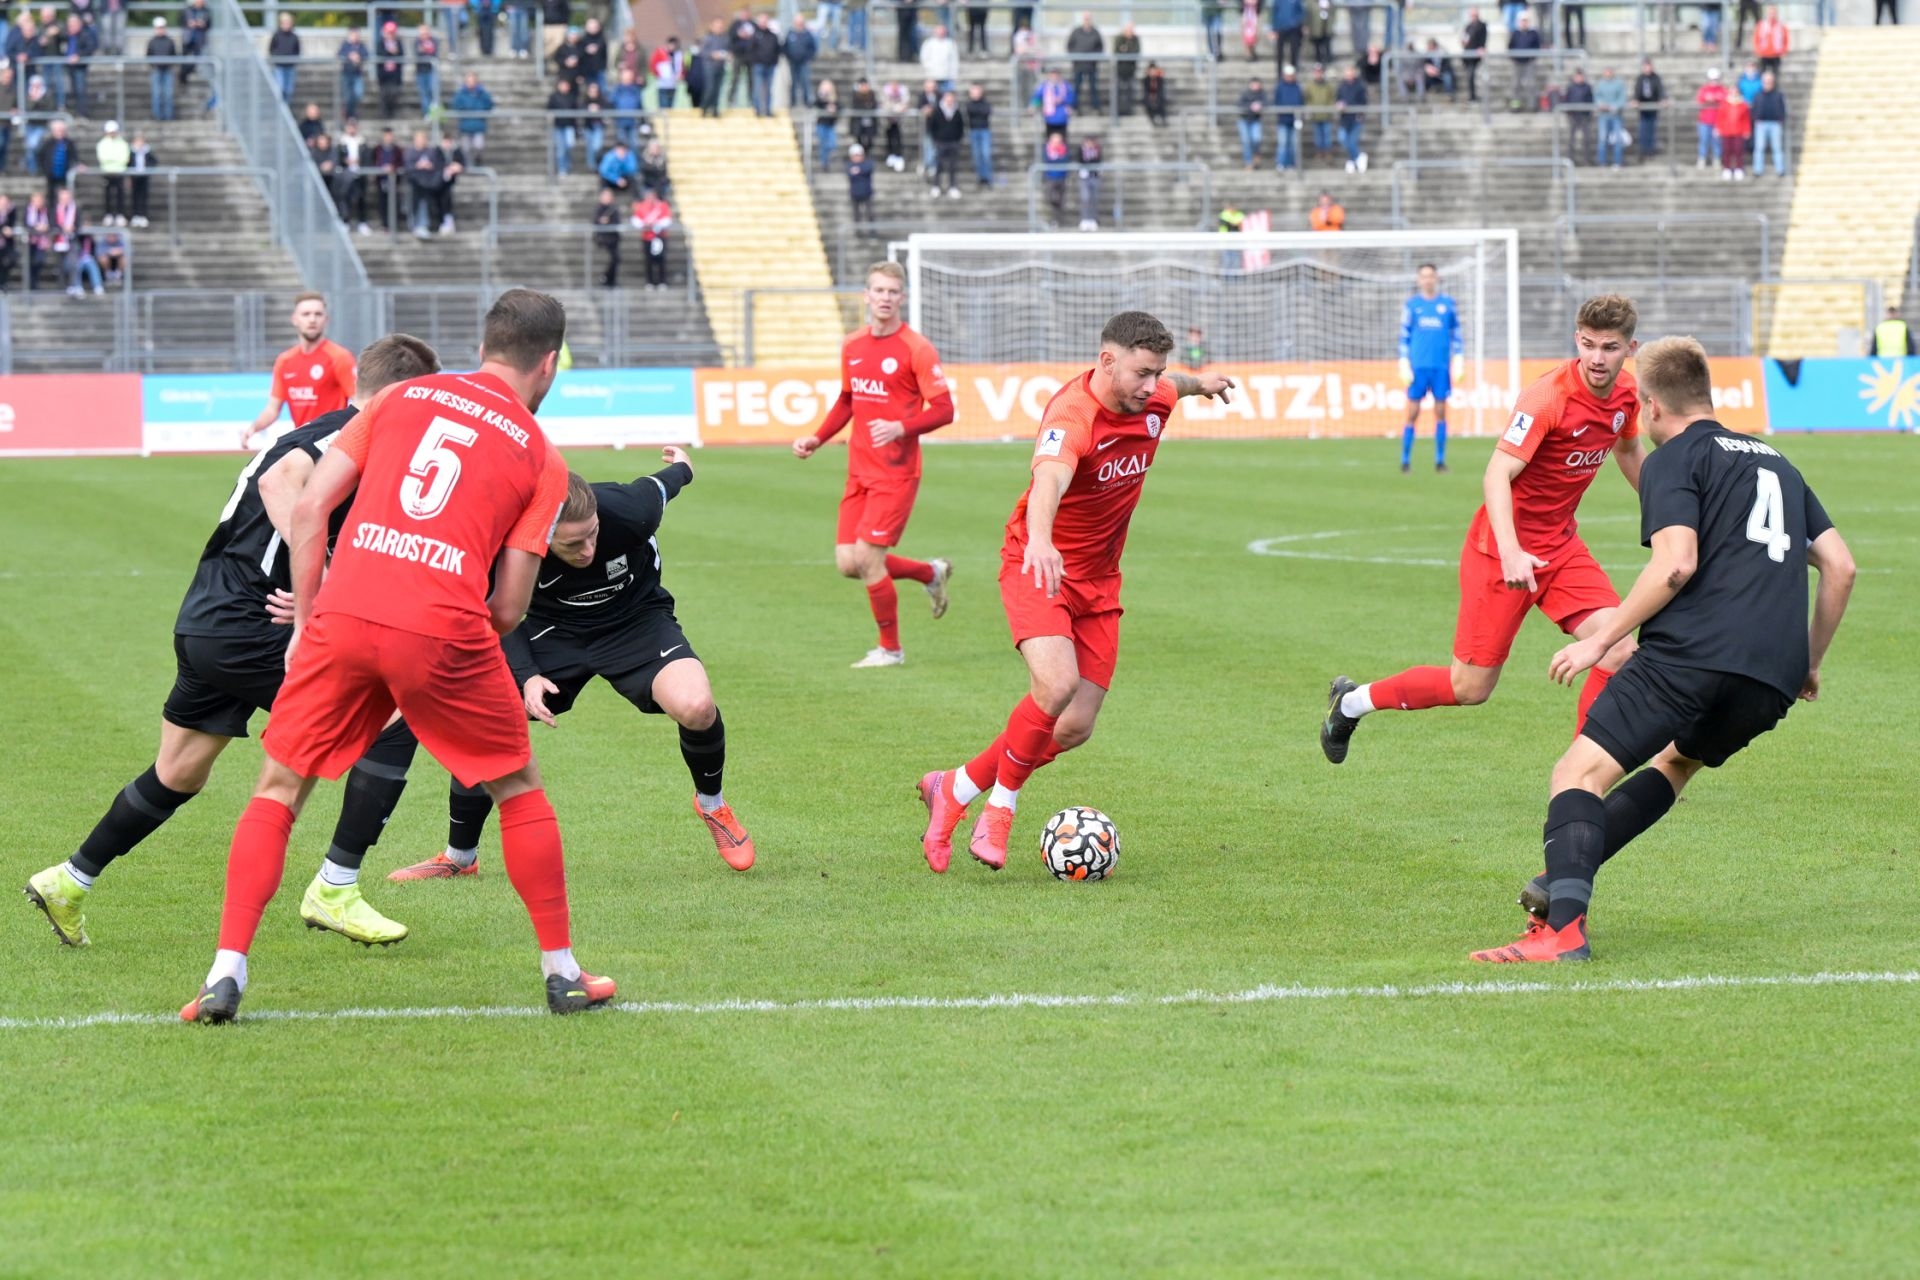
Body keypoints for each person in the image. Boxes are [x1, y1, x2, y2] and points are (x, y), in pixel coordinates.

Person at [178, 290, 614, 1024]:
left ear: (485, 346)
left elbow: (312, 508)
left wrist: (311, 619)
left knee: (278, 787)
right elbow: (507, 608)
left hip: (345, 612)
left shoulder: (402, 397)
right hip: (442, 625)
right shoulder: (542, 456)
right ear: (548, 364)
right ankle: (563, 974)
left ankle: (225, 976)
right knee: (518, 788)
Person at [25, 337, 440, 954]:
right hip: (252, 625)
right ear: (403, 392)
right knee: (394, 715)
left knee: (180, 770)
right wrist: (319, 582)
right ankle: (336, 886)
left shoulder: (335, 429)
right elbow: (281, 482)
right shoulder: (348, 432)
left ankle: (69, 878)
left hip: (207, 622)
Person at [1474, 337, 1855, 962]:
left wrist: (1598, 638)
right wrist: (1809, 663)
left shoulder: (1674, 458)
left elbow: (1675, 567)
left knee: (1578, 773)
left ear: (1650, 407)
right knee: (1675, 765)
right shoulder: (1779, 463)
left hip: (1693, 655)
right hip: (1773, 675)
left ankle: (1564, 931)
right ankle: (1560, 881)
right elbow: (1840, 567)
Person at [917, 312, 1236, 872]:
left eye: (1157, 373)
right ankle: (999, 812)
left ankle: (955, 786)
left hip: (1100, 579)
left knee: (1074, 726)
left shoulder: (1156, 396)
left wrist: (1199, 383)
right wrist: (1041, 540)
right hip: (1039, 564)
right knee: (1057, 683)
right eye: (1141, 373)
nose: (1150, 384)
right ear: (1106, 361)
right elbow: (1049, 479)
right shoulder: (1072, 414)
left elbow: (1175, 387)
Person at [390, 451, 759, 881]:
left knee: (697, 706)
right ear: (541, 536)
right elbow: (497, 614)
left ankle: (712, 806)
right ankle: (460, 857)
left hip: (636, 623)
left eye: (592, 536)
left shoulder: (629, 510)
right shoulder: (508, 540)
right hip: (553, 631)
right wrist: (526, 677)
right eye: (572, 544)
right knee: (483, 720)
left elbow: (669, 482)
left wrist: (684, 464)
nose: (588, 550)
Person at [1322, 295, 1647, 769]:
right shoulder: (1547, 397)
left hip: (1560, 546)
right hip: (1500, 551)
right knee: (1469, 688)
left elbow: (1629, 450)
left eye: (1610, 348)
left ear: (1630, 348)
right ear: (1577, 339)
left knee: (1618, 650)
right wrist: (1513, 552)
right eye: (1589, 345)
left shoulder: (1626, 395)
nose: (1597, 358)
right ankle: (1352, 703)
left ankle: (1581, 775)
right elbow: (1497, 474)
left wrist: (1666, 514)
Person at [792, 262, 957, 669]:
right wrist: (818, 437)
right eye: (878, 290)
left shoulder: (916, 348)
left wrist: (901, 426)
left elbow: (945, 409)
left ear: (902, 298)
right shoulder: (853, 345)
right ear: (866, 295)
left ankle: (891, 650)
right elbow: (848, 399)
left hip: (896, 473)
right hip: (859, 469)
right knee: (849, 563)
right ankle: (929, 573)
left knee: (867, 558)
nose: (885, 298)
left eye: (892, 292)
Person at [244, 294, 359, 445]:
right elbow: (272, 409)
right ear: (295, 319)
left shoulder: (339, 357)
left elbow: (360, 401)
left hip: (331, 443)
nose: (312, 319)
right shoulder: (285, 361)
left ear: (326, 320)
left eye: (318, 314)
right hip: (302, 441)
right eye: (306, 314)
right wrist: (254, 428)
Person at [1398, 264, 1463, 474]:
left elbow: (1456, 333)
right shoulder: (1412, 306)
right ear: (1419, 280)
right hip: (1418, 367)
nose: (1427, 280)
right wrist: (1403, 361)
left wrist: (1459, 357)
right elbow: (1404, 335)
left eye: (1431, 276)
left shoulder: (1447, 305)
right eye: (1423, 276)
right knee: (1413, 412)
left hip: (1440, 367)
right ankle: (1405, 460)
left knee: (1441, 412)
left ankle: (1440, 460)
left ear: (1436, 278)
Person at [631, 186, 672, 287]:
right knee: (648, 260)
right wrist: (644, 225)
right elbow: (636, 220)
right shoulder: (641, 206)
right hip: (647, 237)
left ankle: (662, 281)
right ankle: (649, 281)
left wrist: (656, 223)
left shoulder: (662, 205)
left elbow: (667, 220)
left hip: (659, 236)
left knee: (660, 259)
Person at [927, 87, 964, 197]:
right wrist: (936, 139)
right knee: (939, 165)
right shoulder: (938, 111)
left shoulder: (956, 112)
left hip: (953, 142)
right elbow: (932, 126)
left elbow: (960, 127)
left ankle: (952, 186)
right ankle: (936, 186)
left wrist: (957, 139)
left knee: (953, 166)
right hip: (941, 142)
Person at [1751, 69, 1787, 175]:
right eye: (1766, 81)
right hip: (1761, 124)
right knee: (1759, 148)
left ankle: (1780, 169)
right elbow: (1754, 109)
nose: (1768, 83)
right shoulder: (1758, 95)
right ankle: (1758, 170)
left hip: (1775, 124)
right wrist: (1756, 118)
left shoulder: (1778, 95)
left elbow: (1782, 108)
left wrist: (1781, 119)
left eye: (1770, 80)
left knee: (1777, 148)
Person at [1066, 11, 1103, 111]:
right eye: (1085, 18)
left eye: (1088, 18)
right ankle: (1075, 106)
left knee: (1093, 88)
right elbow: (1070, 46)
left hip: (1091, 65)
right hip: (1078, 65)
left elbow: (1100, 47)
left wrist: (1094, 58)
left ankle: (1095, 106)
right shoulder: (1076, 32)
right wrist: (1075, 58)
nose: (1087, 20)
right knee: (1077, 87)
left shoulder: (1095, 32)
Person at [452, 70, 494, 158]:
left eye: (473, 81)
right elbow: (456, 105)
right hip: (465, 125)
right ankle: (467, 163)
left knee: (479, 145)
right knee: (465, 148)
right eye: (469, 81)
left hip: (478, 124)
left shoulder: (482, 93)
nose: (471, 83)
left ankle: (477, 160)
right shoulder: (461, 94)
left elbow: (489, 104)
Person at [96, 120, 130, 226]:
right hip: (107, 172)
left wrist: (112, 160)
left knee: (120, 195)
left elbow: (124, 158)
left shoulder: (123, 143)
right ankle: (108, 214)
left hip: (119, 172)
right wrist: (114, 160)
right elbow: (103, 158)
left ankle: (120, 214)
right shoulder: (102, 143)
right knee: (108, 195)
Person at [1335, 64, 1368, 172]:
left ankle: (1352, 161)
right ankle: (1357, 157)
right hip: (1344, 118)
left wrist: (1360, 113)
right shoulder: (1341, 86)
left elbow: (1363, 101)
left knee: (1352, 141)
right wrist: (1339, 105)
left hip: (1356, 118)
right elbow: (1338, 99)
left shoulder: (1359, 86)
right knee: (1343, 139)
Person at [1593, 67, 1628, 167]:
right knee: (1602, 139)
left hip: (1616, 116)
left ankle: (1617, 161)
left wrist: (1614, 106)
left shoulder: (1619, 84)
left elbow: (1622, 98)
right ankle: (1602, 162)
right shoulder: (1600, 84)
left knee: (1617, 140)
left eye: (1609, 73)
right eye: (1606, 73)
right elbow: (1597, 97)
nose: (1607, 75)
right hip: (1603, 116)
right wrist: (1601, 104)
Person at [1694, 66, 1727, 168]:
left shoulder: (1722, 90)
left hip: (1718, 120)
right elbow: (1699, 100)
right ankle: (1702, 158)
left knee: (1717, 142)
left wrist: (1714, 98)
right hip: (1704, 120)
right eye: (1712, 80)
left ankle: (1717, 159)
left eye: (1715, 79)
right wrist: (1709, 99)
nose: (1714, 82)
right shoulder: (1703, 89)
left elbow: (1725, 100)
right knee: (1704, 140)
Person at [1716, 85, 1750, 180]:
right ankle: (1726, 168)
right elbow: (1720, 117)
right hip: (1726, 131)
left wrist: (1746, 130)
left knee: (1738, 151)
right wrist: (1718, 128)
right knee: (1726, 151)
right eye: (1732, 91)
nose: (1734, 93)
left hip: (1738, 131)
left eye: (1735, 91)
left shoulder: (1743, 104)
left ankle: (1739, 168)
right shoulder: (1724, 104)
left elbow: (1746, 119)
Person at [1509, 12, 1541, 110]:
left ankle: (1532, 105)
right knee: (1515, 85)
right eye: (1522, 21)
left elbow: (1537, 46)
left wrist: (1532, 57)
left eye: (1526, 21)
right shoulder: (1515, 33)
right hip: (1517, 62)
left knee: (1531, 84)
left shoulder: (1533, 33)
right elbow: (1510, 46)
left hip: (1529, 62)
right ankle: (1516, 105)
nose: (1524, 23)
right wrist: (1514, 57)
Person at [374, 21, 406, 119]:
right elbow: (379, 55)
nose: (390, 35)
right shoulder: (380, 43)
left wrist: (395, 52)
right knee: (385, 94)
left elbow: (402, 56)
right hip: (384, 74)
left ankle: (391, 111)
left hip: (395, 74)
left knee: (394, 93)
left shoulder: (398, 43)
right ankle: (385, 113)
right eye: (389, 32)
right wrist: (388, 52)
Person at [1562, 68, 1594, 162]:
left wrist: (1588, 113)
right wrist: (1569, 112)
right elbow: (1567, 100)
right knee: (1572, 139)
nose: (1579, 78)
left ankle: (1587, 159)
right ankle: (1570, 158)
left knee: (1586, 139)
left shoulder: (1587, 87)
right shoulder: (1571, 87)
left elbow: (1590, 100)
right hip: (1574, 116)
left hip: (1584, 116)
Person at [148, 18, 178, 120]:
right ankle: (157, 116)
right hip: (157, 70)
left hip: (167, 70)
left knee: (168, 95)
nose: (160, 30)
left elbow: (174, 54)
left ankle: (168, 116)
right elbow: (148, 55)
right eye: (158, 28)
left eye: (162, 28)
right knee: (157, 95)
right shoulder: (152, 42)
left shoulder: (170, 41)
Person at [548, 75, 578, 175]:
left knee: (568, 147)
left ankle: (568, 165)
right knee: (561, 148)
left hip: (569, 126)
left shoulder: (572, 97)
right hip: (558, 126)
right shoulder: (554, 97)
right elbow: (549, 110)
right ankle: (562, 168)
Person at [1633, 59, 1664, 159]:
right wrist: (1636, 100)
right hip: (1643, 107)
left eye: (1649, 66)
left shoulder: (1656, 78)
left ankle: (1650, 150)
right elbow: (1637, 90)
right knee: (1643, 129)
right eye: (1646, 67)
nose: (1647, 69)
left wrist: (1662, 99)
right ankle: (1643, 150)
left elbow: (1660, 90)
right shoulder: (1640, 78)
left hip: (1653, 106)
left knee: (1651, 129)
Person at [964, 81, 993, 186]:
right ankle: (980, 177)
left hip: (984, 130)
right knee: (977, 155)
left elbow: (986, 111)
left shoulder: (985, 102)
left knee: (986, 154)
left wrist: (977, 111)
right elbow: (971, 111)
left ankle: (987, 177)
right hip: (974, 130)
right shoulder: (969, 103)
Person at [785, 16, 817, 108]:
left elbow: (813, 48)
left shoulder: (807, 34)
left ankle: (807, 101)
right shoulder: (790, 33)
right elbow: (785, 47)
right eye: (797, 22)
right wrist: (789, 57)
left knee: (805, 82)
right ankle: (793, 101)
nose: (799, 24)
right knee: (793, 82)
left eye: (801, 22)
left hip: (804, 62)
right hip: (793, 62)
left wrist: (808, 58)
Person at [592, 185, 621, 286]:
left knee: (615, 259)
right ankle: (606, 279)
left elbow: (617, 222)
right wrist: (601, 221)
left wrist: (608, 222)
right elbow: (595, 221)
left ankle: (610, 279)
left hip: (613, 239)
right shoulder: (598, 209)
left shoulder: (614, 209)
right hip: (603, 239)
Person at [268, 11, 299, 106]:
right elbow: (271, 49)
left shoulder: (294, 37)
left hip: (290, 67)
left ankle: (285, 109)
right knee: (279, 89)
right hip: (279, 67)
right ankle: (279, 109)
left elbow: (297, 50)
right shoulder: (277, 35)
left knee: (288, 90)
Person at [127, 131, 155, 228]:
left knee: (143, 197)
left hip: (144, 176)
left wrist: (148, 169)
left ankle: (143, 215)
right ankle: (135, 215)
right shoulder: (131, 151)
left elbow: (154, 161)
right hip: (134, 176)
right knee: (135, 197)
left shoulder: (147, 151)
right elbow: (128, 163)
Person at [1236, 76, 1266, 168]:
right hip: (1244, 120)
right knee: (1246, 141)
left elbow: (1267, 102)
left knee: (1256, 139)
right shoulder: (1245, 94)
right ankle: (1248, 162)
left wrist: (1260, 105)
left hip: (1255, 120)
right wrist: (1251, 107)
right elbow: (1239, 104)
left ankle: (1256, 155)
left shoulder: (1262, 94)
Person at [1075, 134, 1101, 230]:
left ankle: (1093, 219)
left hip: (1094, 176)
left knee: (1093, 199)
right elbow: (1079, 160)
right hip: (1084, 177)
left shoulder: (1097, 150)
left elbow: (1098, 161)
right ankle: (1084, 219)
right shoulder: (1081, 150)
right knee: (1085, 198)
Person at [1461, 7, 1487, 102]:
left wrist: (1482, 48)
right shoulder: (1468, 26)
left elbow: (1483, 39)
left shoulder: (1482, 25)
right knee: (1470, 75)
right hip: (1468, 55)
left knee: (1473, 75)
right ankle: (1472, 96)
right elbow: (1464, 39)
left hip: (1476, 55)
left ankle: (1473, 96)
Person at [650, 36, 683, 109]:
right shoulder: (661, 53)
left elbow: (680, 68)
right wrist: (659, 75)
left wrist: (679, 76)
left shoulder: (678, 55)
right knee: (663, 107)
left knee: (670, 107)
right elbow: (653, 65)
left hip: (673, 84)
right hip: (663, 84)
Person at [846, 141, 875, 222]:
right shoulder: (849, 165)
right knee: (856, 216)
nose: (857, 157)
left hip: (866, 192)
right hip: (855, 193)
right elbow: (850, 173)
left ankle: (872, 232)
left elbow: (868, 169)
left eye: (858, 155)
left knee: (870, 214)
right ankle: (858, 233)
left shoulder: (867, 164)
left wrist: (859, 170)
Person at [814, 78, 841, 167]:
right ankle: (824, 162)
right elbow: (816, 105)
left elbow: (840, 107)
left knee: (832, 143)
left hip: (830, 124)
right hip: (821, 124)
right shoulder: (819, 97)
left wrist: (834, 109)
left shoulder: (834, 97)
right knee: (823, 143)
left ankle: (828, 157)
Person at [1753, 4, 1787, 72]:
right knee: (1762, 74)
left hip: (1776, 55)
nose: (1772, 15)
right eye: (1770, 13)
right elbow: (1756, 39)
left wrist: (1783, 51)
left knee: (1776, 75)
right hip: (1764, 54)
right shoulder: (1762, 25)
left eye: (1773, 13)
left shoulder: (1780, 26)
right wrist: (1758, 51)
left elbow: (1785, 40)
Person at [1143, 59, 1167, 125]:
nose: (1153, 72)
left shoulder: (1159, 79)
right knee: (1148, 101)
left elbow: (1160, 90)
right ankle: (1152, 118)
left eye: (1154, 70)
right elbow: (1147, 90)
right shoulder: (1146, 79)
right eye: (1151, 70)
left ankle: (1163, 119)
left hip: (1157, 96)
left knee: (1160, 100)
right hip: (1150, 96)